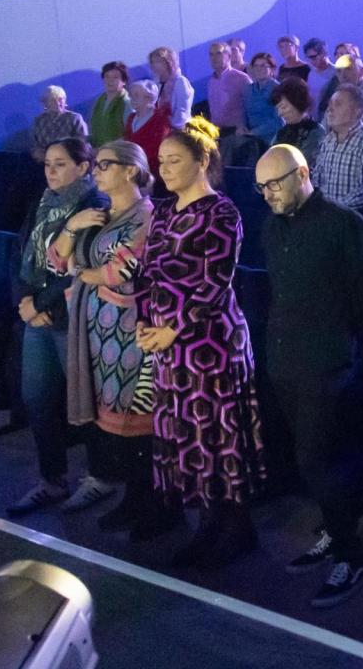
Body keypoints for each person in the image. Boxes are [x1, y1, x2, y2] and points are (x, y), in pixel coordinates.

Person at [253, 144, 363, 607]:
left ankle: (351, 556)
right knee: (309, 456)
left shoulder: (343, 223)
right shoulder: (272, 227)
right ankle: (335, 530)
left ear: (303, 173)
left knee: (317, 460)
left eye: (275, 183)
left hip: (326, 362)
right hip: (284, 358)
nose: (268, 193)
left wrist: (349, 344)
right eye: (261, 187)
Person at [134, 118, 266, 568]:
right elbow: (146, 272)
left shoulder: (222, 212)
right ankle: (208, 525)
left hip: (209, 341)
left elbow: (215, 281)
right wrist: (145, 322)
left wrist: (174, 327)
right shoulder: (165, 211)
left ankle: (234, 527)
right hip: (170, 344)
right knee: (187, 434)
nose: (164, 169)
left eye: (174, 161)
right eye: (161, 161)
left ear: (202, 162)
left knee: (216, 435)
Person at [49, 140, 170, 536]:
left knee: (137, 418)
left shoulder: (147, 216)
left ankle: (154, 505)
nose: (96, 171)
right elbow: (56, 258)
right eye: (96, 164)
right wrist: (72, 227)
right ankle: (133, 499)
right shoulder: (96, 214)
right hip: (96, 330)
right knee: (111, 421)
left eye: (105, 165)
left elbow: (123, 269)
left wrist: (83, 274)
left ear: (131, 171)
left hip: (129, 330)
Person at [7, 139, 112, 516]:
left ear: (83, 167)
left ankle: (101, 477)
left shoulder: (94, 205)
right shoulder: (42, 201)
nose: (50, 171)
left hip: (71, 316)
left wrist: (41, 303)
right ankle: (53, 480)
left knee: (86, 403)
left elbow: (78, 269)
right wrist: (25, 302)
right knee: (37, 399)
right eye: (48, 164)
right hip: (36, 314)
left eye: (60, 164)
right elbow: (22, 252)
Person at [316, 88, 363, 221]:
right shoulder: (327, 140)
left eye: (337, 104)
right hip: (327, 218)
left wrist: (334, 208)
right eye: (329, 105)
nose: (329, 110)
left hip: (359, 220)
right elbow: (318, 178)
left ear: (358, 110)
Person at [272, 77, 326, 169]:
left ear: (297, 103)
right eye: (278, 108)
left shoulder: (316, 131)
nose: (280, 113)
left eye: (284, 107)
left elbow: (303, 163)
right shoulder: (282, 132)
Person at [206, 42, 251, 148]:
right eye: (211, 54)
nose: (214, 58)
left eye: (218, 54)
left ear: (229, 56)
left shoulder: (242, 79)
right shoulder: (211, 81)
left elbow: (252, 107)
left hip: (236, 134)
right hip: (216, 133)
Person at [124, 79, 173, 172]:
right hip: (134, 170)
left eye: (136, 95)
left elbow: (158, 146)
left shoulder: (160, 119)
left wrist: (136, 160)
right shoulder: (131, 118)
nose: (132, 99)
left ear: (149, 98)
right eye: (131, 95)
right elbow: (127, 140)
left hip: (155, 171)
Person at [31, 85, 91, 158]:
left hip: (70, 159)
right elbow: (35, 146)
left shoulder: (74, 118)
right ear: (45, 103)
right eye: (53, 100)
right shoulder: (39, 121)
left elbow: (83, 142)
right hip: (45, 161)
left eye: (60, 99)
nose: (58, 103)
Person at [148, 46, 195, 128]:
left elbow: (182, 111)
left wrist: (171, 128)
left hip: (178, 131)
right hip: (161, 130)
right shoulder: (156, 83)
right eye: (152, 62)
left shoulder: (180, 81)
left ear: (168, 62)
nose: (154, 65)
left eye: (158, 62)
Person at [88, 62, 132, 147]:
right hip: (98, 154)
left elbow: (129, 135)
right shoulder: (99, 101)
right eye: (107, 76)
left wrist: (107, 149)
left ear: (124, 81)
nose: (110, 80)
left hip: (119, 153)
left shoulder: (127, 103)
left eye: (115, 77)